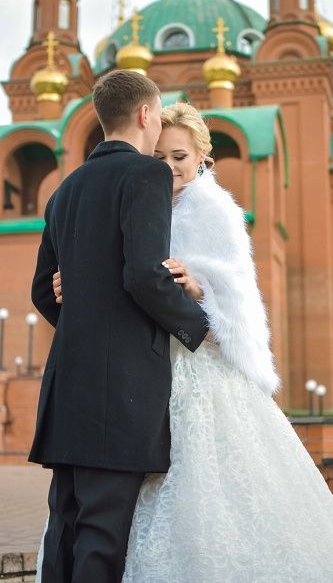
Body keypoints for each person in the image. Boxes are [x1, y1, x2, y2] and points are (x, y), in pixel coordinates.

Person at [50, 102, 333, 582]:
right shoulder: (132, 197)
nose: (168, 167)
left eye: (179, 157)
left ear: (202, 159)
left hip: (194, 362)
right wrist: (76, 282)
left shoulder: (215, 211)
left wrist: (198, 284)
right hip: (138, 365)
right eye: (159, 156)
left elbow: (237, 290)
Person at [30, 71, 210, 583]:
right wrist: (200, 328)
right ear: (145, 114)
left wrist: (88, 320)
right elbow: (144, 277)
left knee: (64, 528)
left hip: (66, 385)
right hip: (120, 392)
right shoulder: (146, 175)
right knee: (103, 536)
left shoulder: (64, 190)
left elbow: (43, 291)